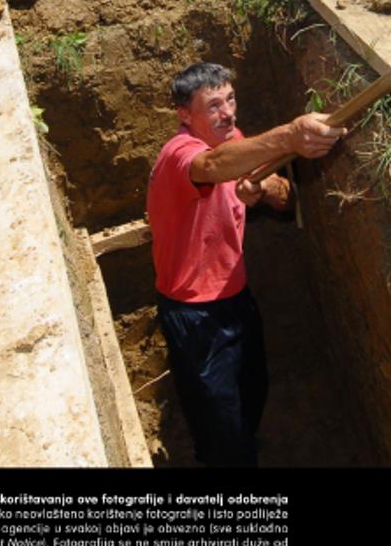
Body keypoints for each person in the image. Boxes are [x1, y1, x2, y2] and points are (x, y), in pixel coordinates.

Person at [146, 62, 345, 466]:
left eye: (231, 99)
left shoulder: (234, 140)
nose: (228, 112)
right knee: (222, 430)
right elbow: (213, 167)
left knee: (252, 393)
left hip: (237, 300)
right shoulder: (179, 153)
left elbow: (288, 200)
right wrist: (290, 135)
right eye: (214, 104)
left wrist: (265, 187)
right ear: (185, 115)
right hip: (194, 316)